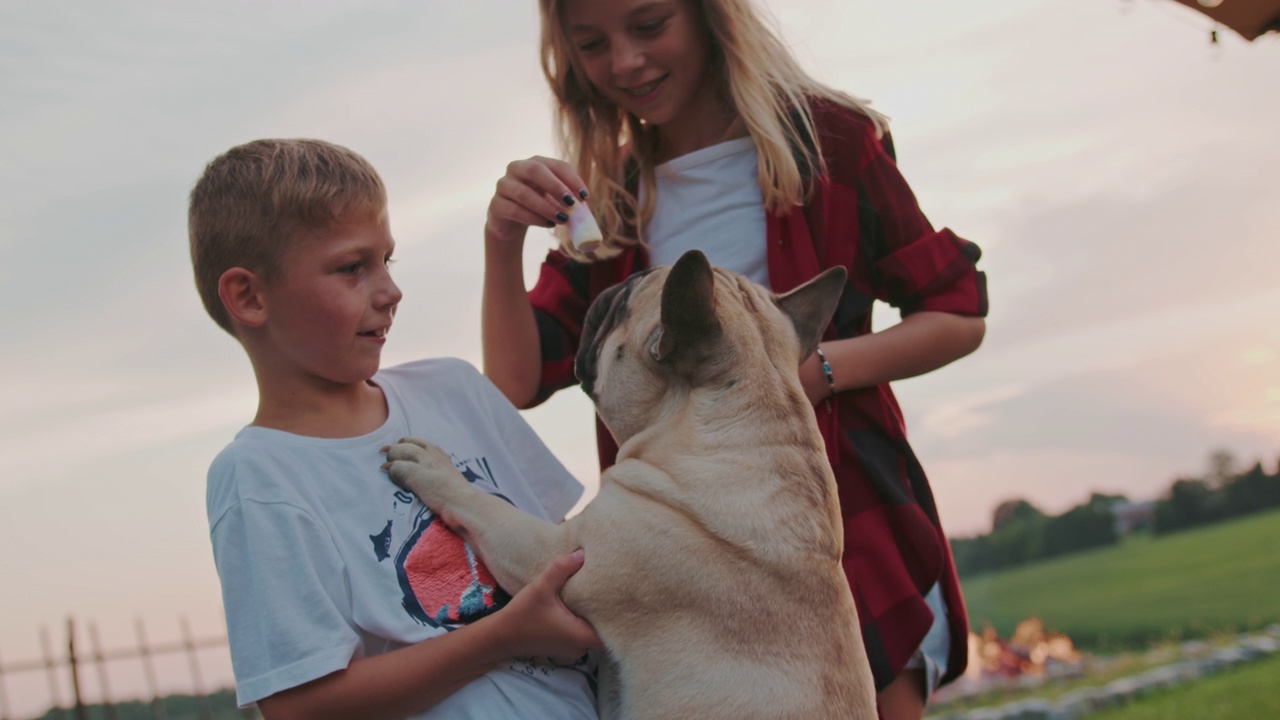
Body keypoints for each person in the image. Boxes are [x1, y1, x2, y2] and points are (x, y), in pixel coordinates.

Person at [478, 1, 988, 717]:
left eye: (649, 26)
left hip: (850, 521)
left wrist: (816, 372)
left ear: (708, 17)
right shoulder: (608, 203)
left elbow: (957, 313)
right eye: (593, 44)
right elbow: (515, 379)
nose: (625, 61)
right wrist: (503, 238)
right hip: (685, 570)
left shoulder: (830, 144)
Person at [189, 138, 601, 720]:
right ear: (249, 296)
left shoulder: (455, 390)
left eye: (388, 260)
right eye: (352, 268)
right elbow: (301, 705)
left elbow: (567, 553)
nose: (390, 291)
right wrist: (505, 634)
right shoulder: (258, 475)